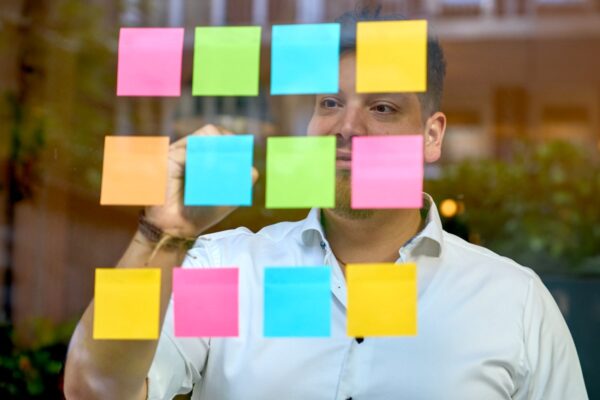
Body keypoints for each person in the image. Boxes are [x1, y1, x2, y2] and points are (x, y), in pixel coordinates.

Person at [64, 7, 588, 400]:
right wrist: (160, 235)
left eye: (382, 108)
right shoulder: (230, 271)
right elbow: (94, 388)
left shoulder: (511, 301)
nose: (346, 128)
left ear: (431, 136)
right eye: (329, 103)